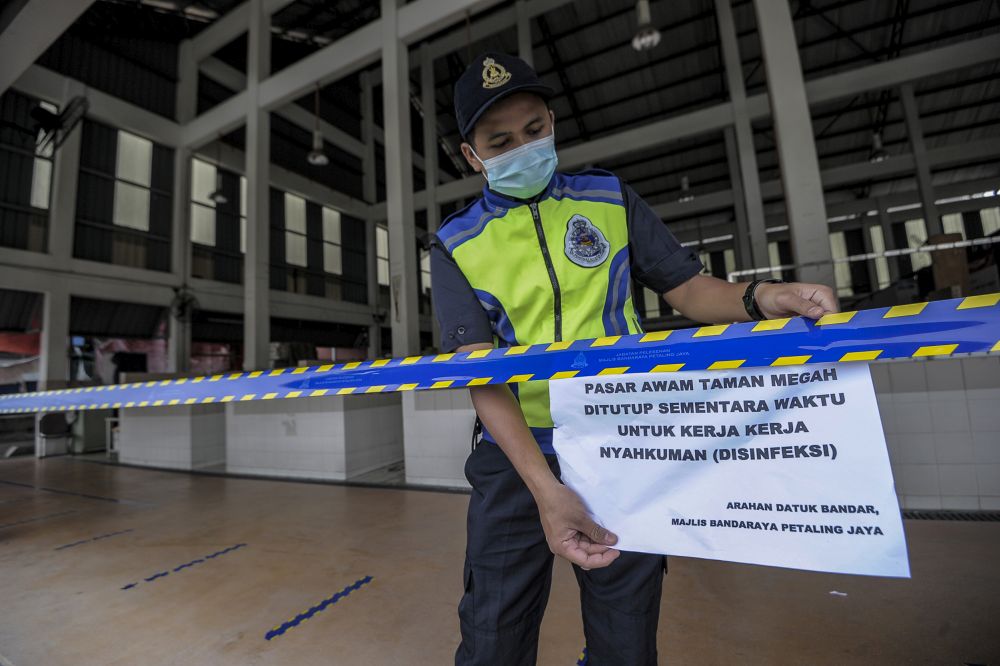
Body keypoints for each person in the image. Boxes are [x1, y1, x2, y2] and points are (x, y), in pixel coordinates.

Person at [430, 52, 839, 666]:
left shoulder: (608, 199)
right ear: (472, 155)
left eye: (535, 131)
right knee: (494, 630)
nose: (523, 148)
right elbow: (480, 375)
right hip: (514, 456)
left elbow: (690, 289)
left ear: (552, 123)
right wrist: (545, 489)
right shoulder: (455, 242)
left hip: (621, 437)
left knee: (626, 633)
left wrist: (766, 297)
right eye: (501, 141)